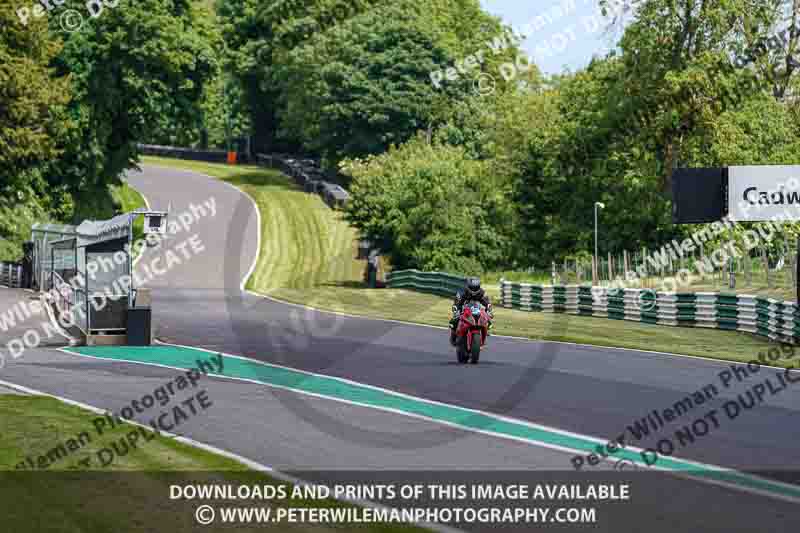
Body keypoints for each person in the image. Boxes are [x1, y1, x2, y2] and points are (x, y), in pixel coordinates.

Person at [449, 277, 493, 346]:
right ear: (468, 286)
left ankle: (484, 333)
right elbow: (456, 303)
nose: (474, 290)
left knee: (488, 320)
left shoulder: (482, 292)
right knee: (454, 320)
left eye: (476, 288)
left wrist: (489, 312)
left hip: (476, 309)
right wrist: (456, 311)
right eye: (472, 288)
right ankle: (453, 336)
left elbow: (487, 303)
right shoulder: (461, 292)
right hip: (463, 309)